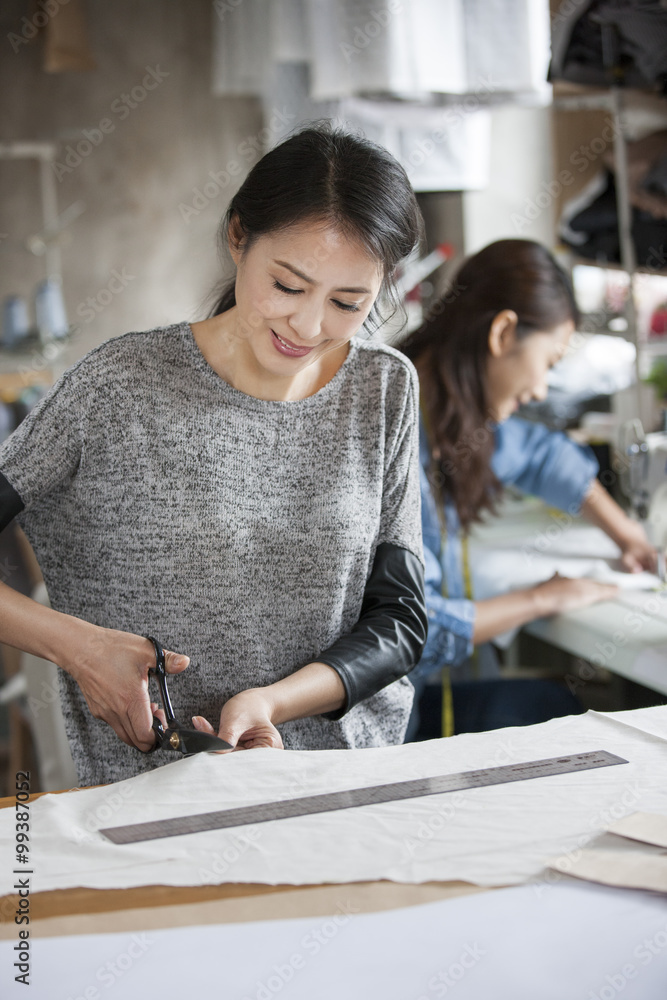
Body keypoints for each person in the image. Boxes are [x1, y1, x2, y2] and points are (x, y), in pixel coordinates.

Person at [0, 123, 428, 786]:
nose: (308, 326)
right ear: (237, 238)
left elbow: (398, 620)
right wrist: (82, 650)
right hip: (153, 789)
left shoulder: (383, 387)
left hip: (338, 778)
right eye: (286, 286)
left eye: (348, 303)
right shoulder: (118, 387)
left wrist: (269, 705)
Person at [400, 238, 656, 738]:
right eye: (550, 361)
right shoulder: (399, 439)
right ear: (503, 332)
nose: (541, 389)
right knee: (575, 719)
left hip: (411, 701)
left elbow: (541, 455)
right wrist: (545, 597)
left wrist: (627, 533)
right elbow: (416, 632)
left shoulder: (451, 419)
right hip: (382, 728)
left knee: (557, 703)